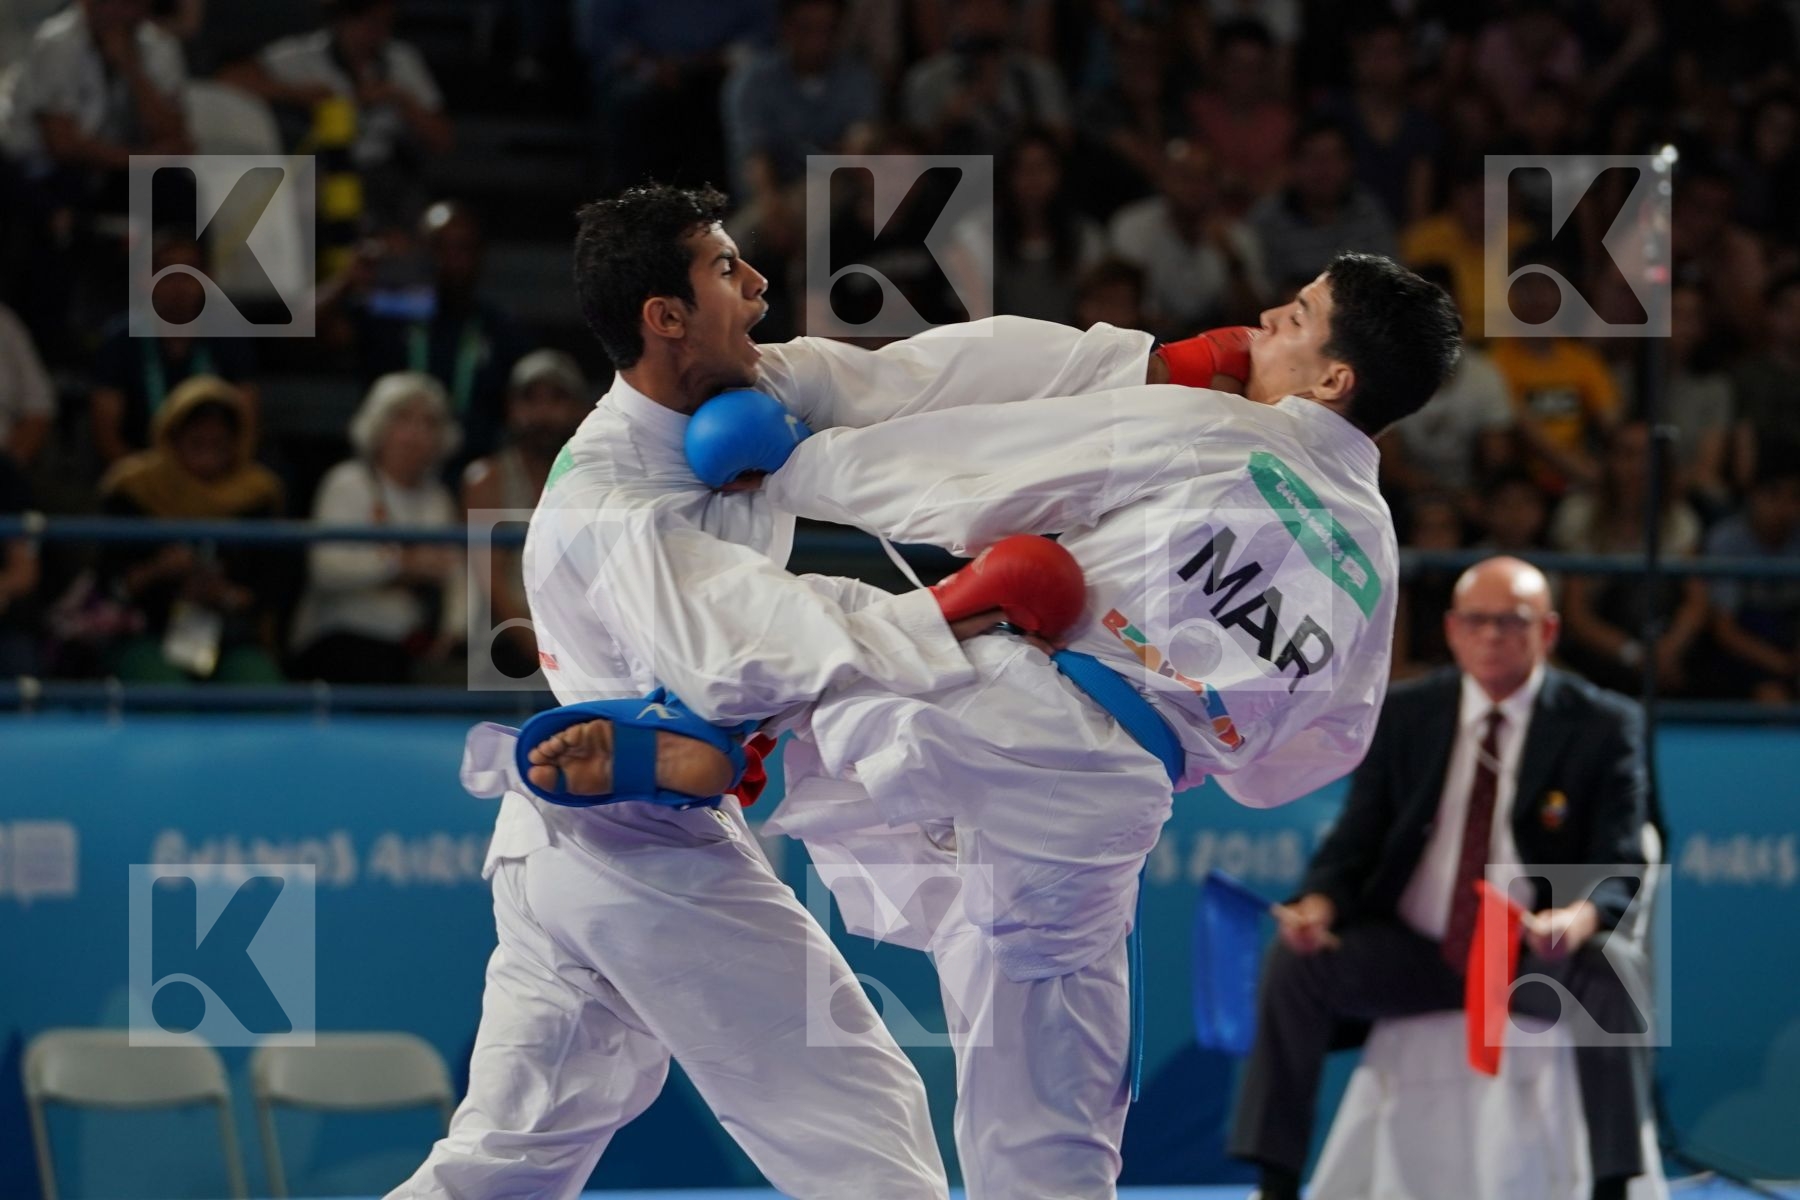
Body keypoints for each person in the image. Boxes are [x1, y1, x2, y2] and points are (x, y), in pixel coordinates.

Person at [515, 247, 1462, 1197]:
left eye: (1295, 317)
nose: (1265, 319)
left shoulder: (1216, 429)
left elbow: (980, 475)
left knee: (846, 625)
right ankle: (751, 741)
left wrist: (799, 467)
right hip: (1116, 808)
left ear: (1334, 379)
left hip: (1017, 704)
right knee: (1055, 1106)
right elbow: (1311, 757)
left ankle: (728, 742)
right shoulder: (1376, 561)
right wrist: (1216, 732)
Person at [390, 182, 1159, 1200]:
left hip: (558, 852)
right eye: (723, 270)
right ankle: (685, 746)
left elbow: (926, 377)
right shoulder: (616, 507)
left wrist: (1158, 365)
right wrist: (959, 604)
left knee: (501, 1167)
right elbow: (765, 644)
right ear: (664, 319)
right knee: (867, 1136)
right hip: (642, 849)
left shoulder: (740, 396)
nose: (757, 285)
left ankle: (703, 751)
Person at [1229, 555, 1654, 1200]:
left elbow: (1623, 857)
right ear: (1452, 630)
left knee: (1614, 966)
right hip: (1418, 950)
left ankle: (1614, 1185)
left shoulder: (1601, 724)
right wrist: (1318, 904)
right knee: (1296, 964)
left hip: (1528, 954)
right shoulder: (1404, 716)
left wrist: (1580, 916)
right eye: (1477, 622)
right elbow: (1356, 840)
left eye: (1511, 623)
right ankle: (1275, 1181)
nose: (1491, 637)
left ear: (1548, 631)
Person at [94, 375, 288, 683]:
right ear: (171, 439)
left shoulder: (258, 495)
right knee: (166, 696)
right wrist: (159, 570)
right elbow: (107, 584)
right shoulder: (134, 489)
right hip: (146, 632)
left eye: (219, 445)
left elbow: (273, 589)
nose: (207, 459)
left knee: (261, 691)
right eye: (196, 444)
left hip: (230, 639)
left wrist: (223, 594)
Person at [290, 372, 466, 685]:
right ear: (378, 426)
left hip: (410, 642)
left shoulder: (437, 498)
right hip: (341, 635)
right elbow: (327, 569)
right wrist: (402, 567)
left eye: (429, 423)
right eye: (403, 420)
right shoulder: (347, 482)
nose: (415, 434)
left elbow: (453, 572)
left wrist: (453, 631)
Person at [218, 0, 451, 224]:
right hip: (319, 170)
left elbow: (443, 141)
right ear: (342, 19)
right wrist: (297, 94)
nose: (377, 33)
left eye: (385, 24)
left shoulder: (402, 60)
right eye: (369, 22)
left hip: (383, 175)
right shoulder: (303, 55)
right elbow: (228, 79)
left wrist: (400, 99)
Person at [462, 350, 591, 680]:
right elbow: (490, 583)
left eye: (556, 399)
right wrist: (545, 652)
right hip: (509, 642)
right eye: (531, 400)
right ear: (511, 408)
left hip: (582, 638)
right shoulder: (486, 480)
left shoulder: (594, 477)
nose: (542, 413)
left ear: (578, 408)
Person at [90, 231, 259, 467]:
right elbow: (107, 435)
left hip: (214, 473)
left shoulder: (228, 336)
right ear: (145, 279)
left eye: (190, 271)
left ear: (208, 278)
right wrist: (153, 483)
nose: (179, 284)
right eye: (167, 272)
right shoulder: (121, 339)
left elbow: (245, 425)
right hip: (141, 473)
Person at [1702, 465, 1800, 703]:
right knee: (1771, 699)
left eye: (1795, 497)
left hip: (1791, 636)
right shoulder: (1726, 540)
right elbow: (1724, 630)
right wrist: (1783, 665)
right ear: (1753, 495)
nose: (1784, 507)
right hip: (1747, 651)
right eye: (1773, 495)